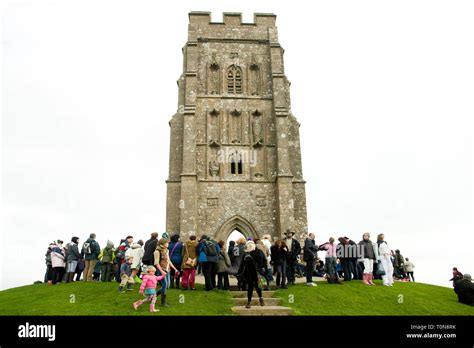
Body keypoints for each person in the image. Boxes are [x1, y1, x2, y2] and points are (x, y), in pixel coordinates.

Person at [240, 241, 265, 309]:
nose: (250, 246)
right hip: (249, 273)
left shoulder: (259, 252)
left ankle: (261, 298)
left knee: (257, 287)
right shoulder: (246, 254)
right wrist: (240, 272)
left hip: (257, 272)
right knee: (250, 287)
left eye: (251, 245)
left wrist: (263, 270)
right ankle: (249, 301)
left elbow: (263, 261)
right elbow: (242, 263)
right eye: (249, 245)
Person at [154, 238, 178, 307]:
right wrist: (161, 271)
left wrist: (175, 269)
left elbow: (168, 261)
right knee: (164, 285)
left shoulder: (167, 250)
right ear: (162, 244)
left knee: (167, 286)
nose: (168, 244)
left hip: (168, 270)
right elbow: (156, 263)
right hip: (161, 270)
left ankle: (153, 295)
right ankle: (163, 303)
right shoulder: (157, 251)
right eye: (167, 243)